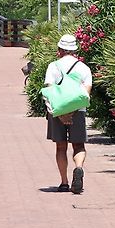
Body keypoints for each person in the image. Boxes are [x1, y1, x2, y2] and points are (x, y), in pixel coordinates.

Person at [44, 34, 92, 194]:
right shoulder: (84, 68)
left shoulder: (53, 66)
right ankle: (78, 168)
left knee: (60, 147)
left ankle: (64, 183)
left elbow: (49, 91)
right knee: (79, 145)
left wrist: (61, 113)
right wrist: (72, 111)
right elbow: (86, 94)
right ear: (75, 51)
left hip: (57, 111)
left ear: (59, 50)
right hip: (78, 112)